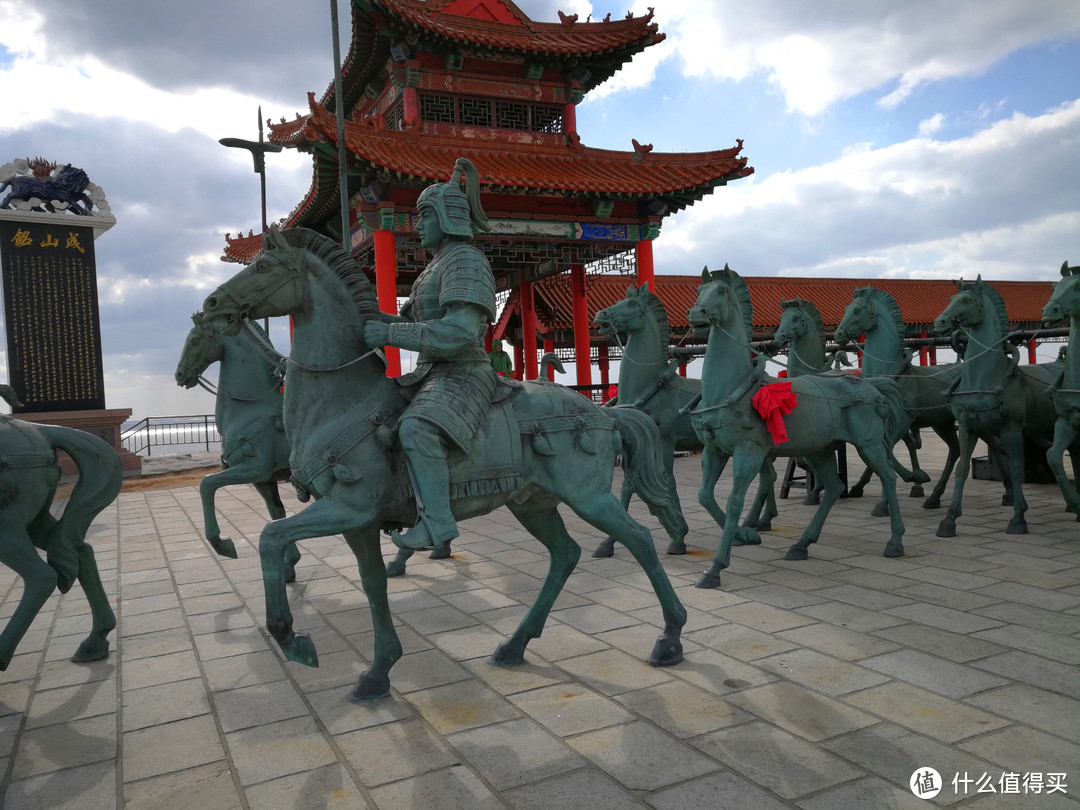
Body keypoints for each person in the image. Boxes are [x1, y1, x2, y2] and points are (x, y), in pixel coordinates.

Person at [363, 157, 496, 554]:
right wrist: (358, 315)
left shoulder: (465, 260)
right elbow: (404, 321)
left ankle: (438, 521)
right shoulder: (434, 267)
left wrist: (388, 332)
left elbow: (458, 332)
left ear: (446, 217)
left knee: (415, 429)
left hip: (464, 370)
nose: (417, 224)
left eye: (424, 216)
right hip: (430, 374)